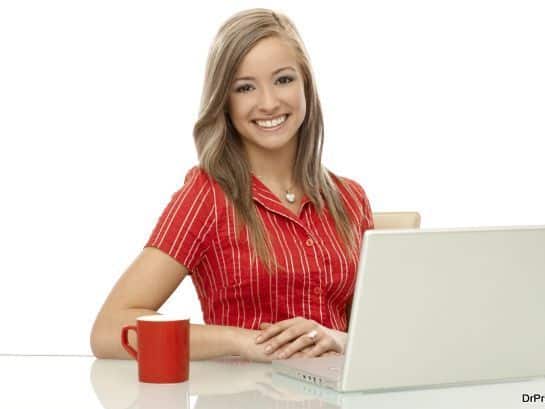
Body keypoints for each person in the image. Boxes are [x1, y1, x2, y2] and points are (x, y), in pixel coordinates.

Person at [90, 8, 373, 363]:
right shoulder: (207, 196)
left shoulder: (351, 199)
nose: (269, 102)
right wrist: (245, 342)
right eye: (245, 87)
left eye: (283, 80)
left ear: (306, 86)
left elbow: (381, 332)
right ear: (224, 101)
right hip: (243, 402)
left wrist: (340, 339)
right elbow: (109, 330)